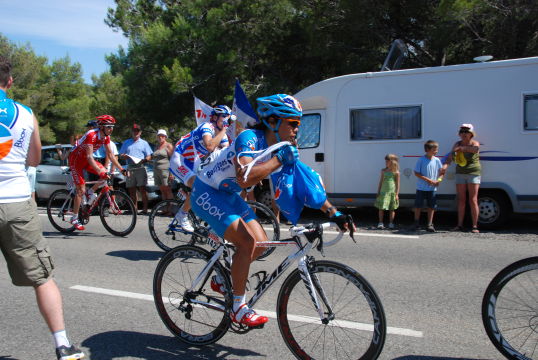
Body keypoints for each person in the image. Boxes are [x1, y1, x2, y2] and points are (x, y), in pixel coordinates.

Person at [191, 94, 355, 328]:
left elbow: (305, 181)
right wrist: (278, 159)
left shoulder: (284, 147)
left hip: (227, 194)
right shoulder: (249, 138)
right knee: (247, 243)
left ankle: (222, 278)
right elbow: (245, 178)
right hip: (206, 191)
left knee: (261, 244)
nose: (297, 129)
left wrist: (333, 212)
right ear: (272, 122)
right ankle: (238, 309)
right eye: (294, 123)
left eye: (299, 123)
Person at [0, 55, 85, 360]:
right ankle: (63, 345)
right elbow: (34, 160)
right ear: (9, 82)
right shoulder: (26, 114)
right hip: (16, 203)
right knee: (42, 277)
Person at [169, 105, 231, 231]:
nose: (226, 121)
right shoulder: (207, 127)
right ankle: (182, 215)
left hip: (194, 163)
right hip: (180, 159)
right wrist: (224, 131)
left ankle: (201, 215)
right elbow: (209, 146)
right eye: (224, 117)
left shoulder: (221, 135)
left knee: (211, 187)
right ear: (214, 117)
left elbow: (227, 154)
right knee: (198, 187)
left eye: (228, 118)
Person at [68, 115, 126, 230]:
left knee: (106, 174)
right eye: (109, 126)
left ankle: (91, 191)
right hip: (76, 160)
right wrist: (100, 171)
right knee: (80, 190)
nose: (111, 129)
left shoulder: (106, 137)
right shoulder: (91, 135)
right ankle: (74, 218)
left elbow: (110, 155)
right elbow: (90, 157)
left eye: (112, 127)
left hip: (86, 160)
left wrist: (122, 169)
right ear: (101, 127)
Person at [441, 124, 481, 233]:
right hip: (460, 173)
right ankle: (459, 225)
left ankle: (474, 226)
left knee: (473, 199)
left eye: (466, 131)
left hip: (473, 173)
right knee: (461, 199)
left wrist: (462, 148)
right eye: (462, 131)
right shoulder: (457, 144)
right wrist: (445, 166)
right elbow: (450, 157)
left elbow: (476, 149)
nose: (463, 134)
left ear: (471, 134)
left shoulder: (474, 143)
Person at [119, 124, 153, 215]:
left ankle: (145, 209)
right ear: (132, 132)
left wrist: (145, 160)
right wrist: (124, 156)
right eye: (134, 131)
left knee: (142, 189)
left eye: (137, 131)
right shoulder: (126, 142)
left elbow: (149, 155)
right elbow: (121, 155)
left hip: (140, 167)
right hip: (130, 167)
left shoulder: (144, 143)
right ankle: (134, 208)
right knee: (131, 189)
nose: (135, 132)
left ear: (140, 132)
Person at [412, 140, 443, 232]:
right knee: (418, 206)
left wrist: (439, 180)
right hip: (421, 187)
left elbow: (441, 173)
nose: (436, 151)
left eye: (436, 149)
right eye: (434, 149)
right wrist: (428, 180)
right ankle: (416, 223)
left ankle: (429, 224)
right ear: (427, 150)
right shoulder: (421, 160)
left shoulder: (437, 160)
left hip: (432, 188)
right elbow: (416, 173)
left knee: (431, 206)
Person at [374, 154, 400, 229]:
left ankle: (391, 223)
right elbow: (381, 182)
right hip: (383, 192)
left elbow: (398, 184)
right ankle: (380, 222)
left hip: (392, 193)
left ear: (392, 162)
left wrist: (397, 194)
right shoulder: (383, 171)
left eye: (387, 161)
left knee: (392, 209)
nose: (386, 163)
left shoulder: (396, 172)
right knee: (381, 208)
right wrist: (378, 192)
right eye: (385, 161)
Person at [151, 129, 174, 202]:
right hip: (156, 170)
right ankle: (164, 208)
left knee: (167, 189)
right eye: (159, 136)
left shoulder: (168, 145)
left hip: (165, 171)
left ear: (165, 137)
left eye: (162, 136)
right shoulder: (156, 146)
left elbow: (173, 159)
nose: (160, 137)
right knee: (162, 190)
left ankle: (170, 209)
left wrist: (171, 173)